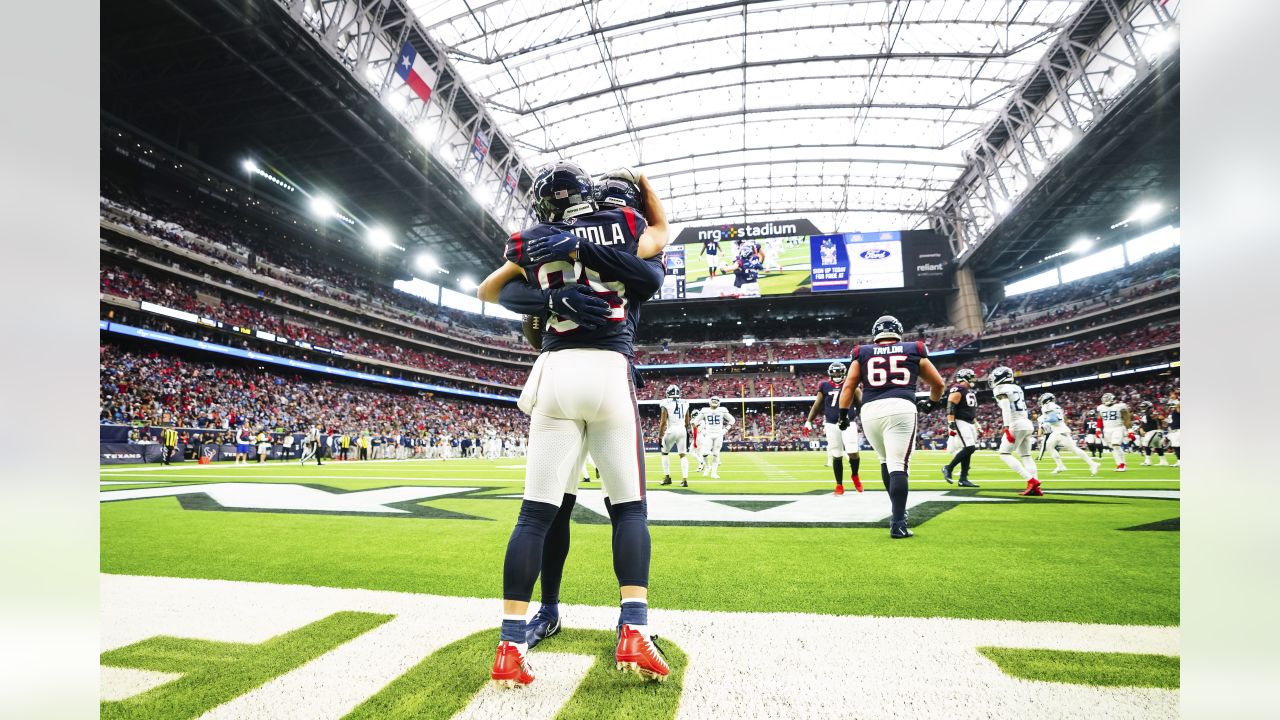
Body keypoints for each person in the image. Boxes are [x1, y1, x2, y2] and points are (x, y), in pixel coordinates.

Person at [476, 161, 670, 687]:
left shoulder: (533, 237)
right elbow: (655, 257)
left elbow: (489, 290)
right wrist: (644, 188)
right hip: (609, 371)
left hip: (553, 373)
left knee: (534, 515)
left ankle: (510, 641)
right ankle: (634, 627)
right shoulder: (627, 227)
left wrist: (550, 295)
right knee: (630, 510)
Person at [837, 315, 945, 538]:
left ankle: (898, 513)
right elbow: (939, 383)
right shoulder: (913, 348)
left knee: (886, 461)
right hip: (900, 407)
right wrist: (932, 402)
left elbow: (849, 386)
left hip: (870, 412)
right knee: (899, 465)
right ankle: (898, 523)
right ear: (898, 331)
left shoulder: (862, 352)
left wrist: (842, 414)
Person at [804, 361, 863, 494]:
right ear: (830, 373)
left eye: (838, 371)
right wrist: (809, 421)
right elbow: (817, 404)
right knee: (836, 454)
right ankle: (839, 485)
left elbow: (861, 403)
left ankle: (855, 475)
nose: (836, 374)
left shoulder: (851, 382)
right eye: (834, 371)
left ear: (843, 372)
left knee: (853, 451)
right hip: (831, 423)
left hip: (848, 422)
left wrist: (862, 417)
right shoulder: (824, 385)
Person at [989, 366, 1042, 496]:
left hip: (1015, 424)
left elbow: (1006, 406)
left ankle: (1031, 481)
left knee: (1004, 453)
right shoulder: (1017, 388)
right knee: (1026, 456)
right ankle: (1035, 487)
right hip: (1027, 423)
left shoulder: (1000, 389)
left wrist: (1006, 427)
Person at [1036, 393, 1101, 476]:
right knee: (1049, 446)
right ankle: (1060, 466)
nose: (1041, 401)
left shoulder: (1049, 406)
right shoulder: (1053, 406)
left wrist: (1043, 419)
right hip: (1056, 431)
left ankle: (1093, 464)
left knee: (1074, 449)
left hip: (1061, 431)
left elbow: (1054, 419)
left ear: (1047, 400)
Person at [940, 368, 980, 487]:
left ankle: (963, 479)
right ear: (966, 377)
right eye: (971, 377)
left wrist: (977, 425)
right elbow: (951, 404)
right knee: (970, 448)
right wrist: (951, 422)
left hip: (968, 422)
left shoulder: (968, 391)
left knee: (968, 450)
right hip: (960, 421)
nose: (973, 379)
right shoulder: (959, 388)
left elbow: (969, 410)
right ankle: (948, 468)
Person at [657, 384, 692, 486]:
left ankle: (667, 477)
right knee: (683, 455)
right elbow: (687, 420)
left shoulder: (665, 402)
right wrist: (685, 431)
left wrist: (660, 436)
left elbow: (663, 422)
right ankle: (685, 480)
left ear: (668, 393)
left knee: (664, 453)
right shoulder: (685, 402)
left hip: (671, 429)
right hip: (682, 429)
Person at [1096, 392, 1133, 471]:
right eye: (1104, 399)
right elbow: (1100, 419)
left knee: (1116, 445)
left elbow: (1127, 419)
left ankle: (1122, 464)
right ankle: (1119, 464)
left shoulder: (1120, 406)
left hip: (1118, 427)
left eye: (1107, 399)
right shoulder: (1101, 408)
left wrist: (1130, 431)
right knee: (1112, 448)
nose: (1105, 401)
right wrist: (1098, 429)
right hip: (1106, 429)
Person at [699, 397, 735, 478]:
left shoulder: (722, 410)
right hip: (708, 434)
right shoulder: (705, 410)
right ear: (710, 402)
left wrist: (726, 429)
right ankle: (708, 467)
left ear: (719, 402)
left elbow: (732, 420)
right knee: (705, 453)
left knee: (716, 453)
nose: (714, 402)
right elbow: (695, 421)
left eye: (716, 401)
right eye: (713, 401)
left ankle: (714, 473)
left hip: (718, 434)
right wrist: (701, 430)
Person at [1136, 401, 1170, 466]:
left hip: (1153, 432)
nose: (1142, 408)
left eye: (1144, 407)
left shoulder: (1151, 412)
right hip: (1153, 432)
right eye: (1142, 407)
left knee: (1146, 444)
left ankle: (1148, 461)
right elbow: (1142, 424)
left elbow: (1160, 417)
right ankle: (1163, 461)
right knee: (1158, 447)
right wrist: (1141, 429)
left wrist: (1156, 416)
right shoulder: (1145, 414)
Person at [1166, 392, 1180, 467]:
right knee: (1176, 446)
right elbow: (1169, 421)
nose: (1171, 396)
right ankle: (1179, 461)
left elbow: (1179, 410)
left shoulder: (1178, 409)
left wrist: (1176, 403)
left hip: (1178, 430)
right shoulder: (1172, 413)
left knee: (1177, 446)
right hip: (1173, 430)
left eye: (1172, 394)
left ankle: (1180, 461)